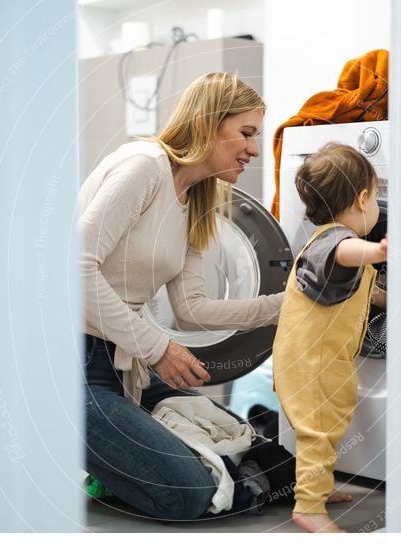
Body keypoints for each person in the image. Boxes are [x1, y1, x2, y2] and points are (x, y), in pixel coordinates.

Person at [80, 72, 283, 521]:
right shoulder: (144, 167)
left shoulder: (195, 197)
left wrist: (290, 307)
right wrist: (158, 348)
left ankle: (130, 460)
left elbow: (192, 310)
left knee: (250, 444)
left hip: (125, 365)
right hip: (73, 365)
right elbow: (74, 267)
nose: (253, 148)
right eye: (246, 133)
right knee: (186, 492)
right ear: (205, 121)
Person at [272, 142, 388, 533]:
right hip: (314, 364)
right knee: (320, 430)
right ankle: (309, 509)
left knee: (325, 428)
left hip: (306, 359)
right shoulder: (335, 242)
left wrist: (387, 298)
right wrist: (379, 249)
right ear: (364, 198)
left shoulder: (318, 240)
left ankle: (316, 489)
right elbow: (348, 254)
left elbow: (358, 288)